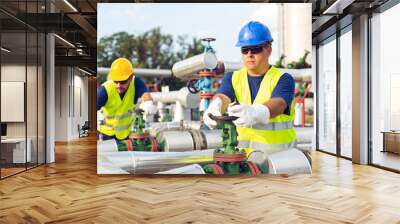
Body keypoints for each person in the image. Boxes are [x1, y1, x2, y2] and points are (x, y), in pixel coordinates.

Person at [203, 21, 296, 156]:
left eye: (256, 49)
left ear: (269, 49)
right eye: (245, 50)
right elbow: (223, 96)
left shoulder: (283, 78)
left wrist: (257, 112)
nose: (249, 54)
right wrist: (215, 106)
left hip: (279, 159)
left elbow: (279, 104)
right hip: (245, 160)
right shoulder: (232, 77)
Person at [97, 58, 157, 140]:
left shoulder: (136, 83)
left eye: (122, 82)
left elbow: (146, 94)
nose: (118, 85)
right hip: (104, 134)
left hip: (125, 135)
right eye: (115, 81)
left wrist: (148, 103)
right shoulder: (104, 90)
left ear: (131, 77)